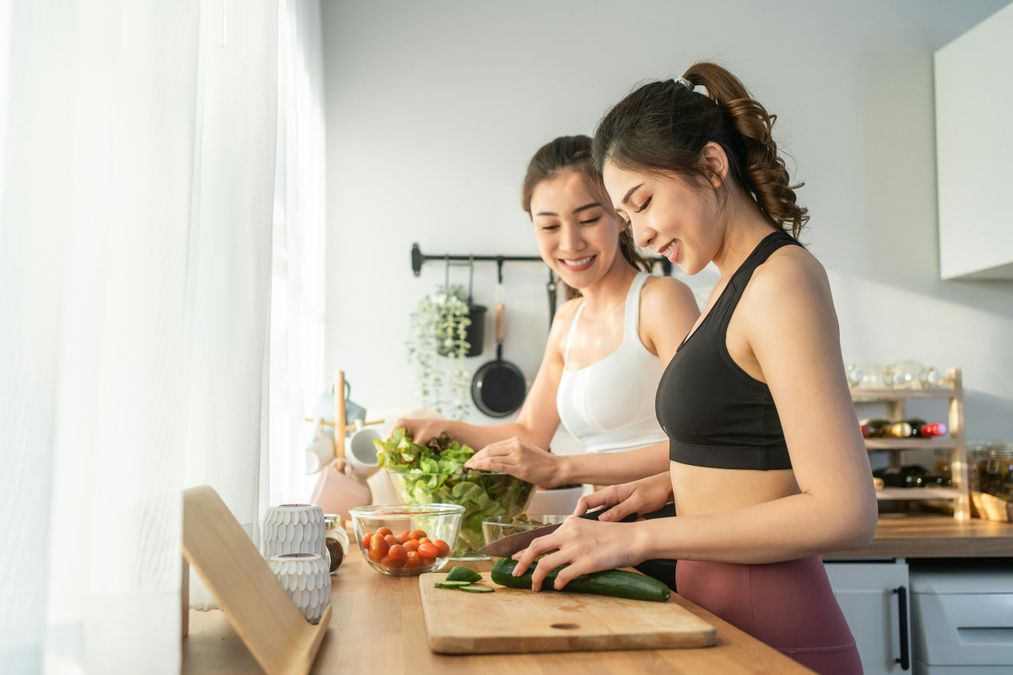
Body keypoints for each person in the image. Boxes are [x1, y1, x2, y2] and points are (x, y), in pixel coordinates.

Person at [509, 64, 876, 674]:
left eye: (644, 201)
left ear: (711, 166)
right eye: (627, 219)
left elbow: (845, 511)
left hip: (776, 635)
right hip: (712, 618)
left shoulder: (781, 280)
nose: (644, 234)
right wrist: (665, 484)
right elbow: (752, 451)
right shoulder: (723, 289)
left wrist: (639, 537)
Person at [393, 135, 699, 491]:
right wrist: (443, 427)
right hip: (600, 523)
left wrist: (563, 468)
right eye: (550, 226)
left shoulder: (661, 300)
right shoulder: (568, 320)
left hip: (668, 519)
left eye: (587, 219)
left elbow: (702, 444)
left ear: (619, 217)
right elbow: (529, 434)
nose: (570, 243)